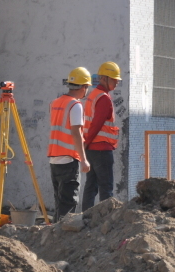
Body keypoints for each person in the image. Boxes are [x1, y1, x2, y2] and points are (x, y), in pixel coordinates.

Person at [48, 67, 92, 219]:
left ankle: (55, 233)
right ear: (84, 87)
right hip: (68, 160)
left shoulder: (55, 103)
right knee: (68, 204)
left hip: (54, 159)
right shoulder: (75, 105)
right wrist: (84, 160)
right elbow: (76, 133)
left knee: (60, 203)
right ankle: (62, 237)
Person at [81, 62, 122, 211]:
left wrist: (85, 145)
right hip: (101, 149)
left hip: (92, 149)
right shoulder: (103, 98)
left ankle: (86, 217)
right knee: (106, 188)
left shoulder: (93, 95)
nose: (117, 82)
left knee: (91, 185)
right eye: (114, 79)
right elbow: (96, 125)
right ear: (104, 78)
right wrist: (86, 144)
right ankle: (106, 219)